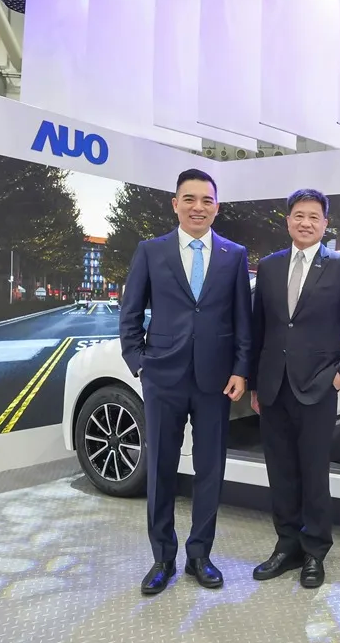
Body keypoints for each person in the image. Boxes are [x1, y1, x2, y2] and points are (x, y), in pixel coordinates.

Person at [118, 168, 252, 595]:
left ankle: (200, 555)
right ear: (175, 204)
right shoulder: (151, 251)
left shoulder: (234, 254)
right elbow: (130, 313)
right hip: (163, 377)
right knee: (160, 468)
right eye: (189, 199)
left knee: (210, 468)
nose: (198, 207)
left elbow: (242, 320)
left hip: (216, 380)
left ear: (217, 207)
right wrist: (139, 363)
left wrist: (241, 369)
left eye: (206, 200)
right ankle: (162, 557)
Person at [248, 188, 340, 588]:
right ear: (288, 220)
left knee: (313, 475)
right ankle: (286, 546)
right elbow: (260, 329)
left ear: (325, 224)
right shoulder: (270, 267)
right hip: (273, 387)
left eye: (314, 217)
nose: (305, 222)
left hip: (318, 387)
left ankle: (314, 552)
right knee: (280, 473)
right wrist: (255, 383)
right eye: (299, 215)